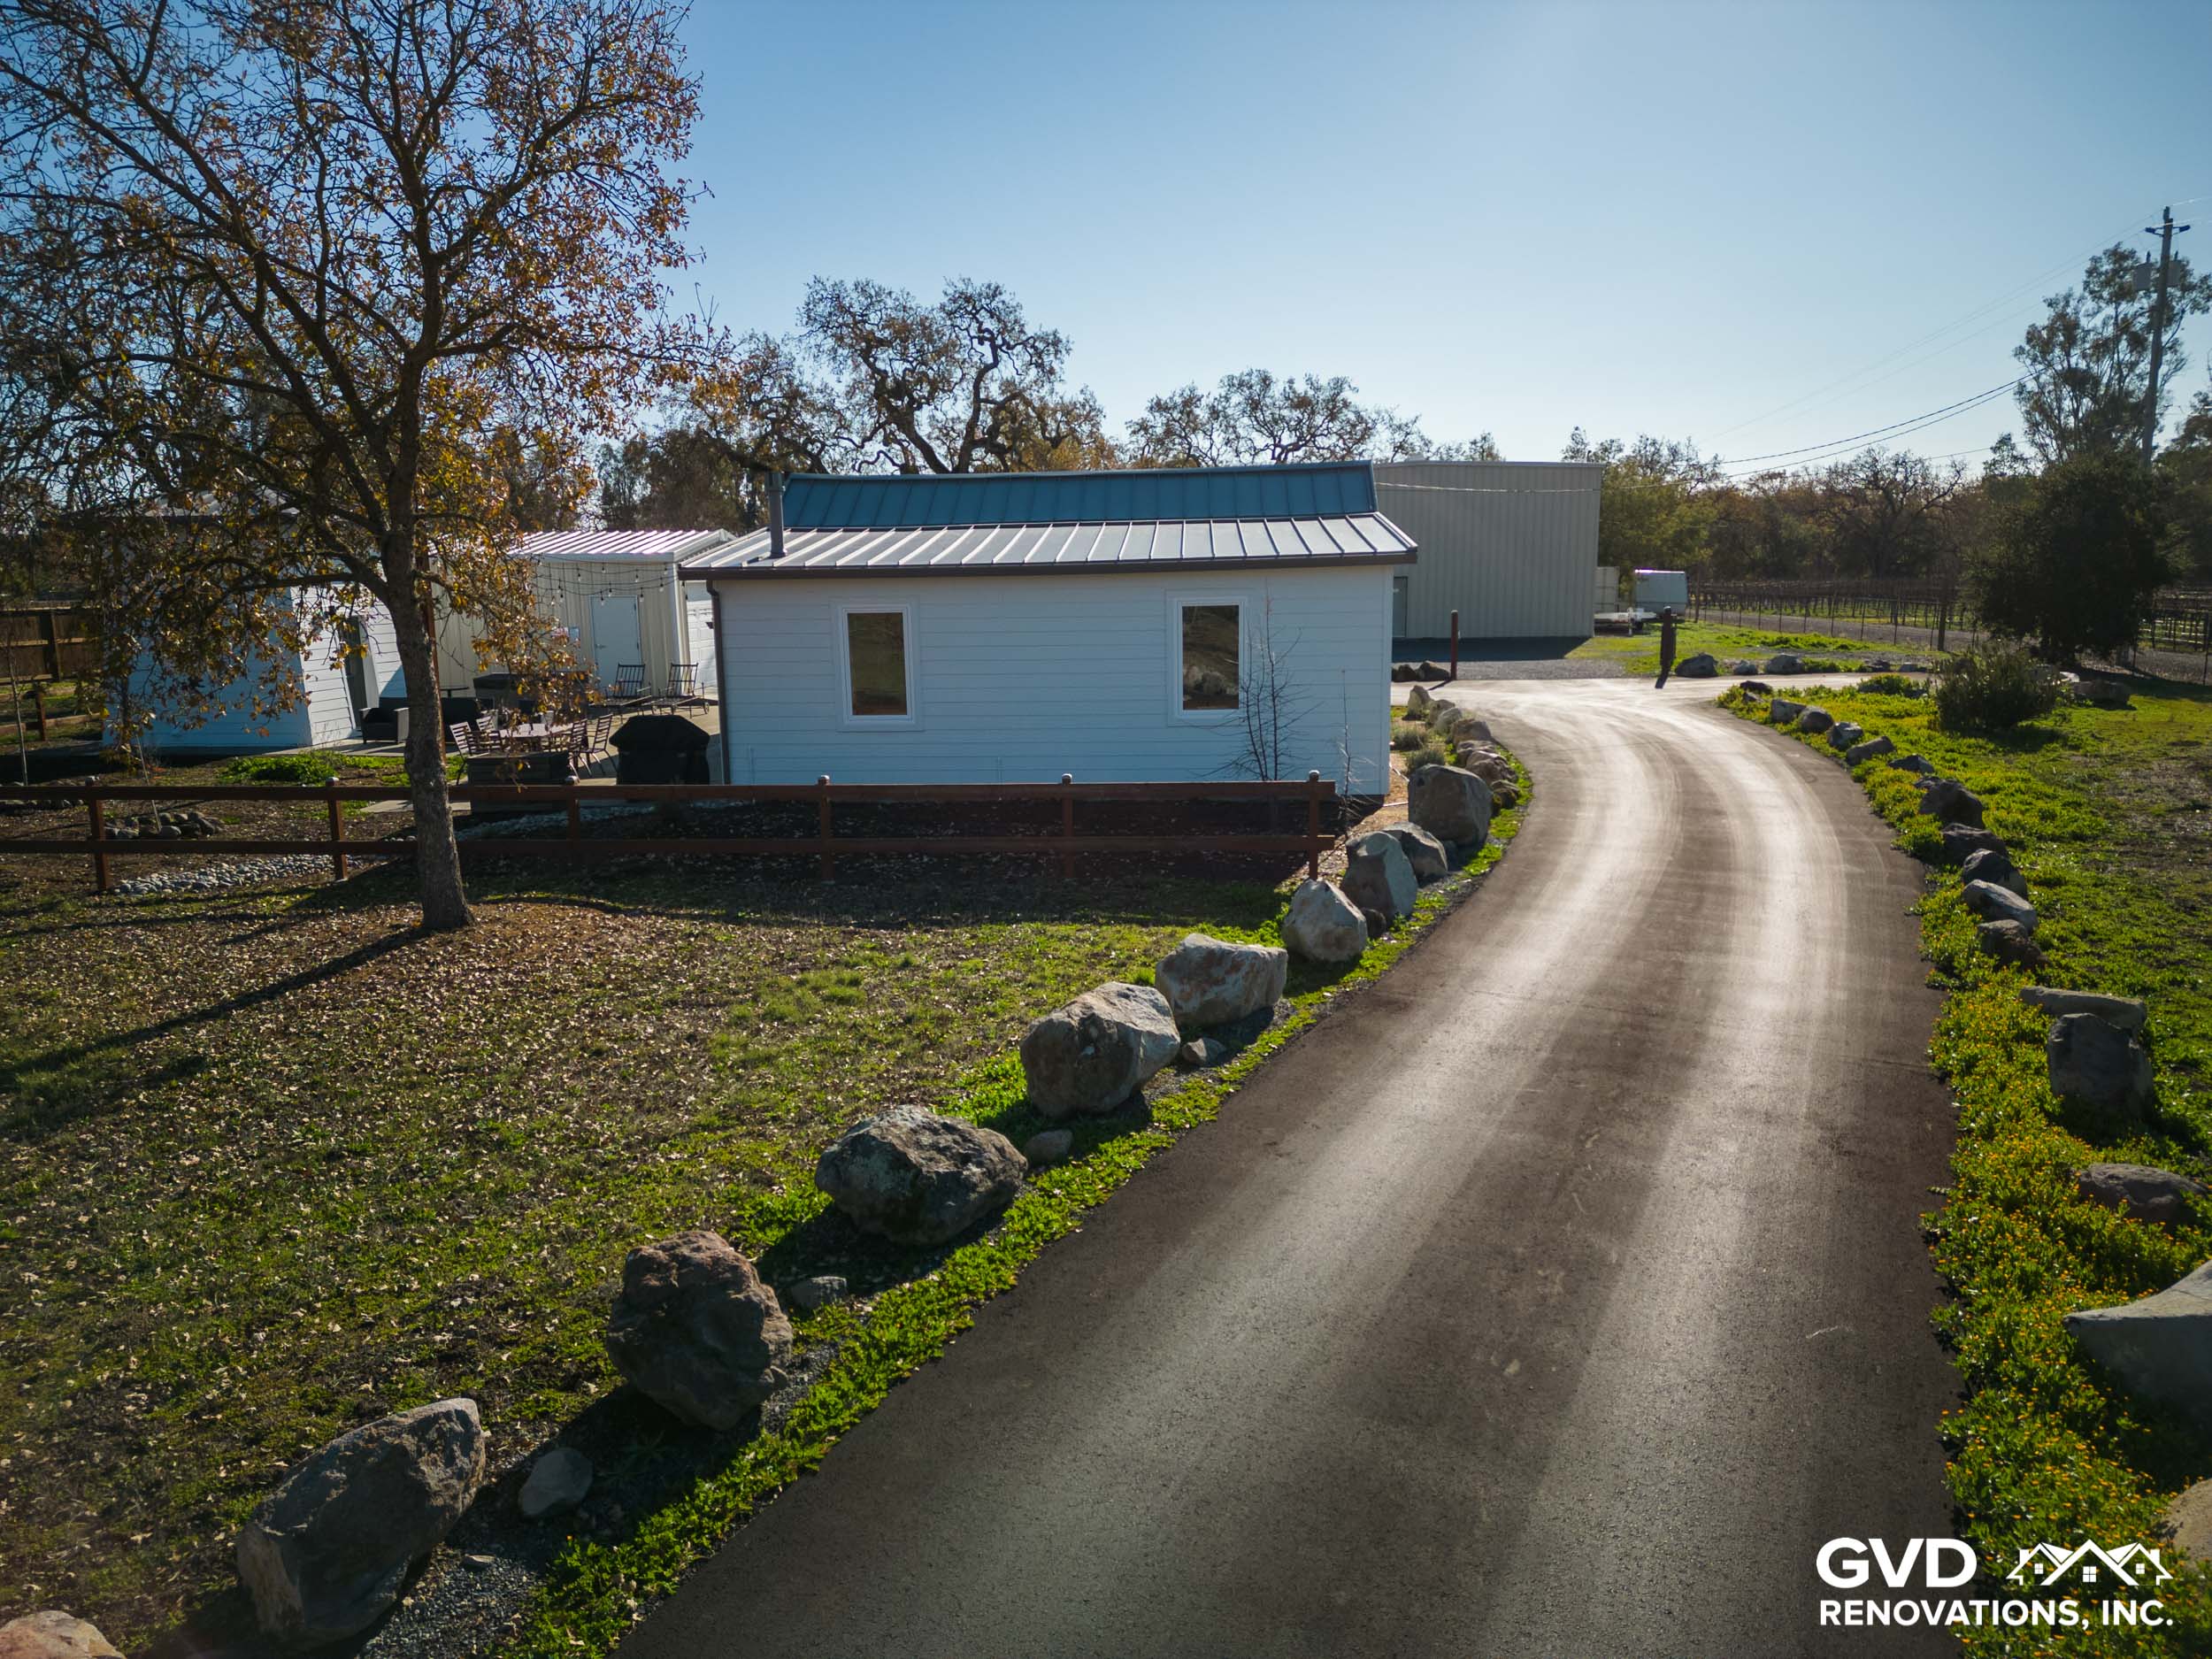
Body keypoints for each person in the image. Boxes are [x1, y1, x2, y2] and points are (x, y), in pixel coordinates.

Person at [1655, 607, 1679, 688]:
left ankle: (1665, 663)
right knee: (1667, 649)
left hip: (1666, 635)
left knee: (1666, 649)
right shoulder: (1670, 625)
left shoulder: (1667, 625)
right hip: (1667, 635)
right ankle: (1666, 663)